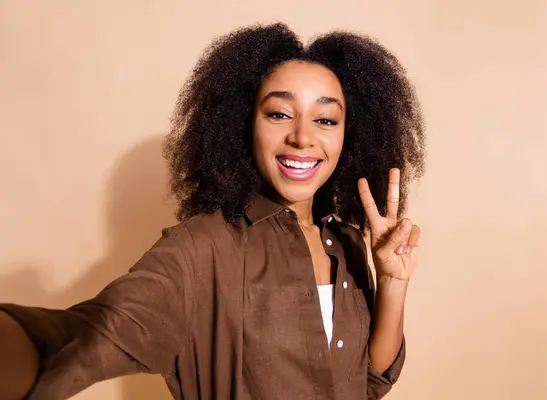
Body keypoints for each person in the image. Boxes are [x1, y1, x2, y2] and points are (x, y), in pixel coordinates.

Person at [0, 22, 425, 400]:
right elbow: (92, 333)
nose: (302, 137)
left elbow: (369, 381)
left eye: (326, 120)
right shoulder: (201, 247)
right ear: (243, 123)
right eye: (279, 113)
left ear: (349, 135)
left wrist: (391, 282)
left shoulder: (348, 243)